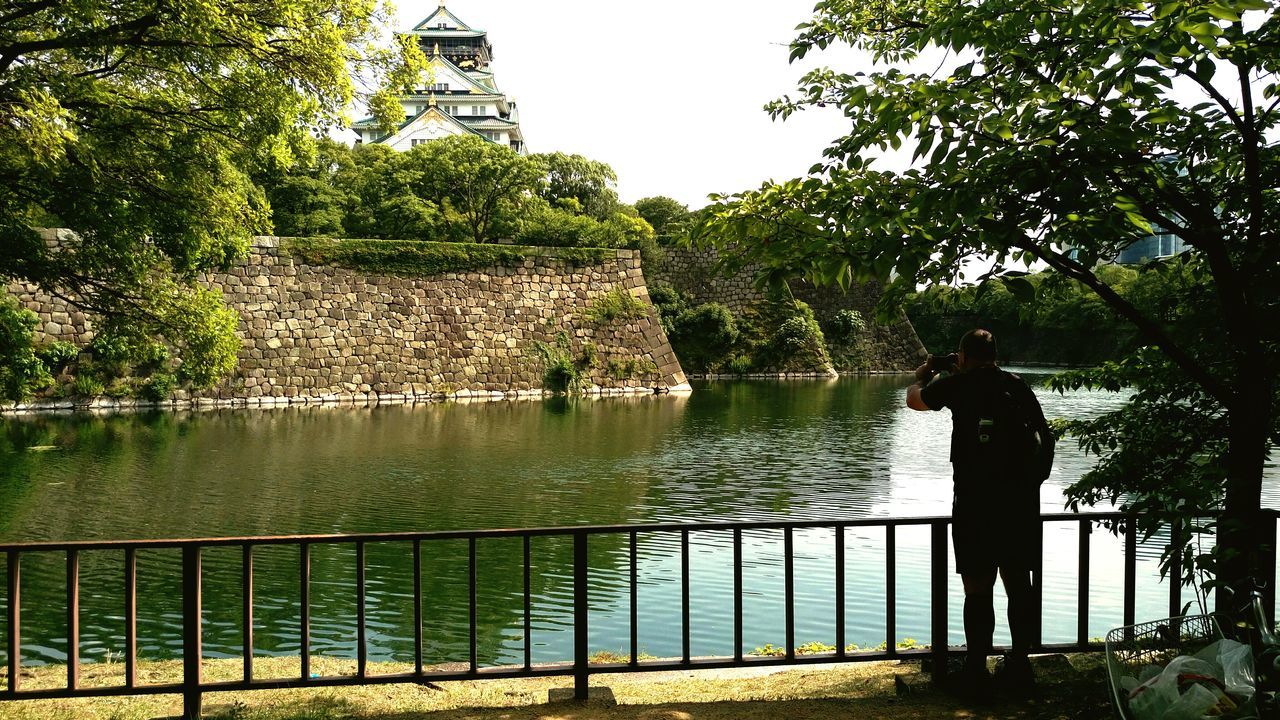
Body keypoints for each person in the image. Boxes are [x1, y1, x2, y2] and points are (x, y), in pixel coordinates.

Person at [904, 329, 1054, 697]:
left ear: (962, 355)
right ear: (994, 354)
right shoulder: (1017, 386)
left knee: (977, 589)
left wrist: (924, 375)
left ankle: (975, 669)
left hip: (975, 502)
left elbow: (914, 402)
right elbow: (1044, 436)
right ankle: (1020, 665)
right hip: (1020, 503)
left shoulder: (959, 385)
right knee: (1019, 585)